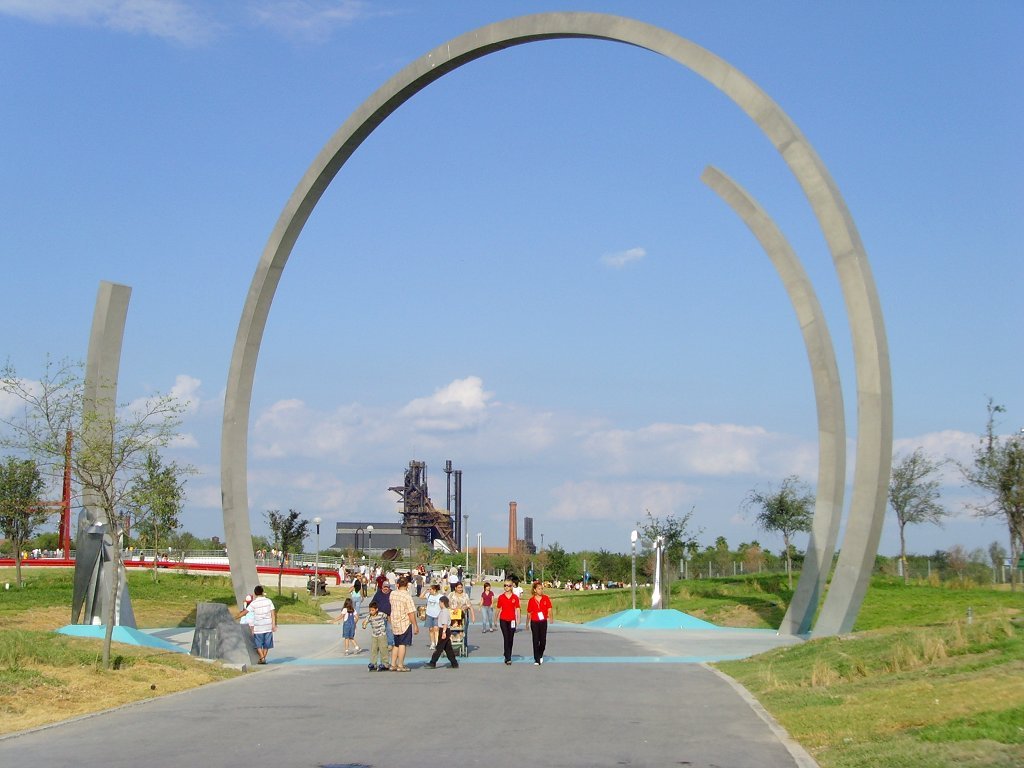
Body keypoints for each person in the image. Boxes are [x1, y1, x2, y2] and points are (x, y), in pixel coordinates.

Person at [236, 585, 276, 665]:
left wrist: (236, 617)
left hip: (258, 626)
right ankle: (263, 658)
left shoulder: (254, 603)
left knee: (258, 644)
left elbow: (245, 612)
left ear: (255, 593)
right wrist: (273, 625)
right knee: (266, 644)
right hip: (268, 626)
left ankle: (262, 657)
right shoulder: (269, 601)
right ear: (262, 592)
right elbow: (273, 614)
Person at [388, 576, 419, 672]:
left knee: (396, 644)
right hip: (404, 622)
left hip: (394, 622)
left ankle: (393, 664)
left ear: (397, 584)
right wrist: (415, 625)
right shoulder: (407, 596)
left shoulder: (392, 594)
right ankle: (400, 665)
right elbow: (410, 612)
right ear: (407, 585)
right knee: (402, 644)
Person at [424, 595, 459, 669]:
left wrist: (443, 632)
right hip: (444, 630)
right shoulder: (443, 611)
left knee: (439, 647)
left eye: (439, 603)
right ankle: (454, 663)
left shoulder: (445, 611)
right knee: (448, 648)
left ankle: (433, 662)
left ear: (442, 603)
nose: (439, 604)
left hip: (444, 630)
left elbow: (445, 623)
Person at [526, 581, 554, 665]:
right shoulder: (531, 600)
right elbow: (529, 613)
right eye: (539, 589)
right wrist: (527, 623)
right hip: (534, 621)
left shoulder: (546, 598)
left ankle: (540, 654)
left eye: (542, 589)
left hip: (543, 621)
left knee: (543, 641)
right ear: (535, 590)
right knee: (535, 640)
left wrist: (551, 617)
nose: (541, 590)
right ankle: (536, 659)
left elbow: (549, 609)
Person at [496, 580, 521, 665]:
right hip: (503, 620)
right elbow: (498, 608)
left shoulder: (515, 597)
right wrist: (495, 619)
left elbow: (517, 608)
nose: (506, 587)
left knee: (511, 638)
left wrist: (518, 618)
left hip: (512, 620)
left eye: (508, 585)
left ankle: (507, 651)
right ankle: (508, 658)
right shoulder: (501, 597)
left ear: (511, 587)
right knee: (506, 638)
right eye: (505, 585)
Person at [362, 601, 389, 671]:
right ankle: (373, 663)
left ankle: (385, 663)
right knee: (374, 649)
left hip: (382, 635)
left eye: (372, 610)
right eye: (370, 610)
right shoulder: (369, 617)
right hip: (374, 635)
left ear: (376, 609)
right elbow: (365, 622)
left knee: (383, 649)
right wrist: (364, 625)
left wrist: (391, 624)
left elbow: (388, 617)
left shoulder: (381, 614)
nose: (371, 612)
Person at [447, 581, 475, 649]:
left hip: (463, 615)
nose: (460, 589)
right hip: (453, 615)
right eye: (458, 587)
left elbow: (469, 605)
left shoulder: (465, 595)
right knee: (452, 629)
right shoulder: (451, 595)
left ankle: (464, 645)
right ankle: (451, 643)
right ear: (455, 588)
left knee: (464, 630)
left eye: (461, 587)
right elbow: (447, 604)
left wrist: (473, 616)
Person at [375, 581, 395, 649]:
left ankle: (390, 643)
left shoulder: (392, 593)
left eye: (387, 587)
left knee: (389, 629)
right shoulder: (378, 594)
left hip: (390, 615)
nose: (386, 588)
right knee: (381, 630)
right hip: (380, 615)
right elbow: (373, 603)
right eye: (384, 587)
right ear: (382, 587)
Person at [424, 583, 442, 649]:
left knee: (436, 629)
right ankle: (432, 643)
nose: (429, 590)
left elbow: (443, 604)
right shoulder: (428, 595)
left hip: (437, 614)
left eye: (430, 589)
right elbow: (420, 597)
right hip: (429, 614)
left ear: (434, 590)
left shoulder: (440, 596)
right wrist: (425, 591)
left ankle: (437, 643)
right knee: (431, 629)